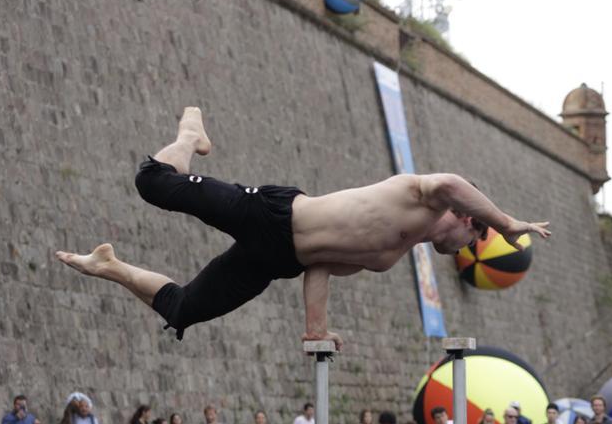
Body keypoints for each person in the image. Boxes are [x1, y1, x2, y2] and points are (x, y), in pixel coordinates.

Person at [56, 107, 550, 348]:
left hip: (278, 261)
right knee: (153, 182)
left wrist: (314, 328)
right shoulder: (420, 198)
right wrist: (505, 222)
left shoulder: (395, 252)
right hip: (271, 214)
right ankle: (190, 133)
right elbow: (450, 179)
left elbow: (320, 266)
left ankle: (110, 266)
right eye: (475, 235)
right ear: (468, 218)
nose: (468, 247)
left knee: (185, 310)